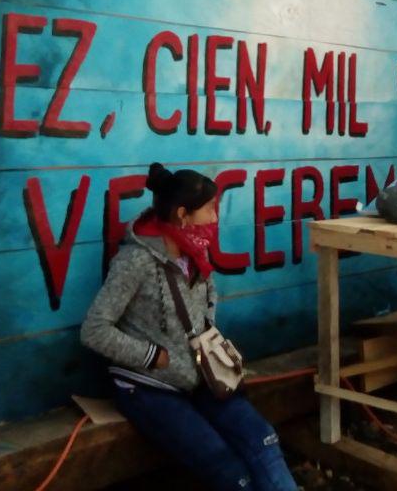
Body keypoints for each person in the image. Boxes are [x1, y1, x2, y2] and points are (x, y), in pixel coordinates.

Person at [81, 163, 298, 491]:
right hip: (148, 387)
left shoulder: (195, 254)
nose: (214, 218)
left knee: (264, 441)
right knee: (228, 469)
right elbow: (94, 330)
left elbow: (204, 311)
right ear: (182, 214)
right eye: (209, 209)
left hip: (199, 379)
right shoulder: (135, 261)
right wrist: (152, 355)